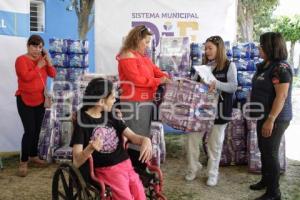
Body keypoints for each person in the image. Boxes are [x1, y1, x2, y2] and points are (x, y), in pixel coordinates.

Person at [70, 78, 152, 200]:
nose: (115, 100)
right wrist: (90, 148)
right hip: (107, 171)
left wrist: (146, 140)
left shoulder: (112, 115)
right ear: (101, 101)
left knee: (140, 196)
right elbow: (76, 161)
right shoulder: (83, 122)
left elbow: (133, 137)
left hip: (126, 165)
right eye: (112, 97)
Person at [185, 36, 237, 187]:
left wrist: (217, 84)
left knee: (214, 144)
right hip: (200, 110)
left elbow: (233, 86)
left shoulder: (229, 65)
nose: (207, 51)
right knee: (192, 140)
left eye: (210, 48)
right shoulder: (202, 66)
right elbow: (195, 84)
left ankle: (212, 173)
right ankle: (193, 168)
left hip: (220, 110)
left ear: (219, 49)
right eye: (205, 48)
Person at [116, 25, 170, 171]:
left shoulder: (141, 56)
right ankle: (135, 168)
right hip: (133, 102)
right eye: (145, 42)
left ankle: (138, 168)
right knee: (135, 136)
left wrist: (167, 77)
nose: (147, 46)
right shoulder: (127, 55)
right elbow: (137, 80)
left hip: (144, 102)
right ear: (137, 39)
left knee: (142, 135)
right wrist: (159, 81)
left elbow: (155, 70)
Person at [249, 32, 293, 200]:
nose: (259, 47)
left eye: (261, 44)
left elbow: (281, 96)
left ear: (270, 47)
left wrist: (271, 119)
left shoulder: (280, 68)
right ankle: (266, 180)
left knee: (270, 152)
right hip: (264, 115)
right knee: (263, 149)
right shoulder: (265, 66)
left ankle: (274, 193)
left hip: (276, 118)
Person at [15, 34, 56, 177]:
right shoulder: (21, 60)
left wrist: (48, 61)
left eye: (40, 47)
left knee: (37, 129)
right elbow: (25, 78)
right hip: (24, 99)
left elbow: (53, 74)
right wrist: (38, 67)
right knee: (29, 130)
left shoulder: (43, 60)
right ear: (28, 46)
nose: (37, 50)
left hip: (40, 100)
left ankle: (33, 155)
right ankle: (23, 161)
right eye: (34, 46)